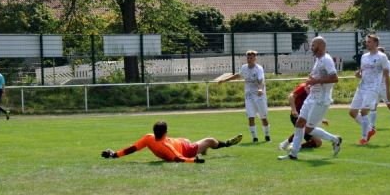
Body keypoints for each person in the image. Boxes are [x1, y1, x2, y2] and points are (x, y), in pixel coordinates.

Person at [278, 36, 342, 160]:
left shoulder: (327, 59)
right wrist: (309, 84)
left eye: (313, 45)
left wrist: (315, 81)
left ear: (321, 46)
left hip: (321, 100)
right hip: (312, 97)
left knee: (308, 128)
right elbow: (315, 80)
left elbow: (335, 78)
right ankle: (293, 154)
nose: (311, 47)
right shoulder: (318, 60)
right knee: (300, 123)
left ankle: (335, 139)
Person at [101, 121, 242, 163]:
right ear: (165, 132)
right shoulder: (166, 145)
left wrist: (115, 154)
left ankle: (204, 149)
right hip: (187, 150)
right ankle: (226, 143)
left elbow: (132, 148)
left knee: (186, 138)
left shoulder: (148, 138)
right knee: (210, 140)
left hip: (181, 142)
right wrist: (194, 161)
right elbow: (178, 158)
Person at [219, 50, 270, 142]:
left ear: (255, 58)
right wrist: (224, 80)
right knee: (250, 117)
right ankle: (255, 138)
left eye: (251, 57)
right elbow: (237, 76)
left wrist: (260, 89)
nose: (249, 59)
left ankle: (267, 136)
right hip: (249, 96)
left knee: (263, 117)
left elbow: (261, 80)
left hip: (259, 96)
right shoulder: (244, 67)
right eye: (248, 57)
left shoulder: (259, 68)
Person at [348, 35, 390, 145]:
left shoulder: (382, 57)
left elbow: (386, 75)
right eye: (367, 42)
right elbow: (362, 73)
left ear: (376, 43)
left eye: (369, 42)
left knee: (363, 111)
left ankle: (364, 138)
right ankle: (370, 130)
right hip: (362, 87)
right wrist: (358, 75)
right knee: (352, 112)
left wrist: (388, 91)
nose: (367, 44)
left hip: (373, 88)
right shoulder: (364, 57)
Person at [277, 82, 324, 151]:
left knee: (318, 142)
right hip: (297, 115)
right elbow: (291, 96)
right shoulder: (304, 86)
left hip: (307, 116)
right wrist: (293, 110)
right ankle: (284, 144)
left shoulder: (316, 89)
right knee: (302, 129)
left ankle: (295, 146)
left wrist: (321, 118)